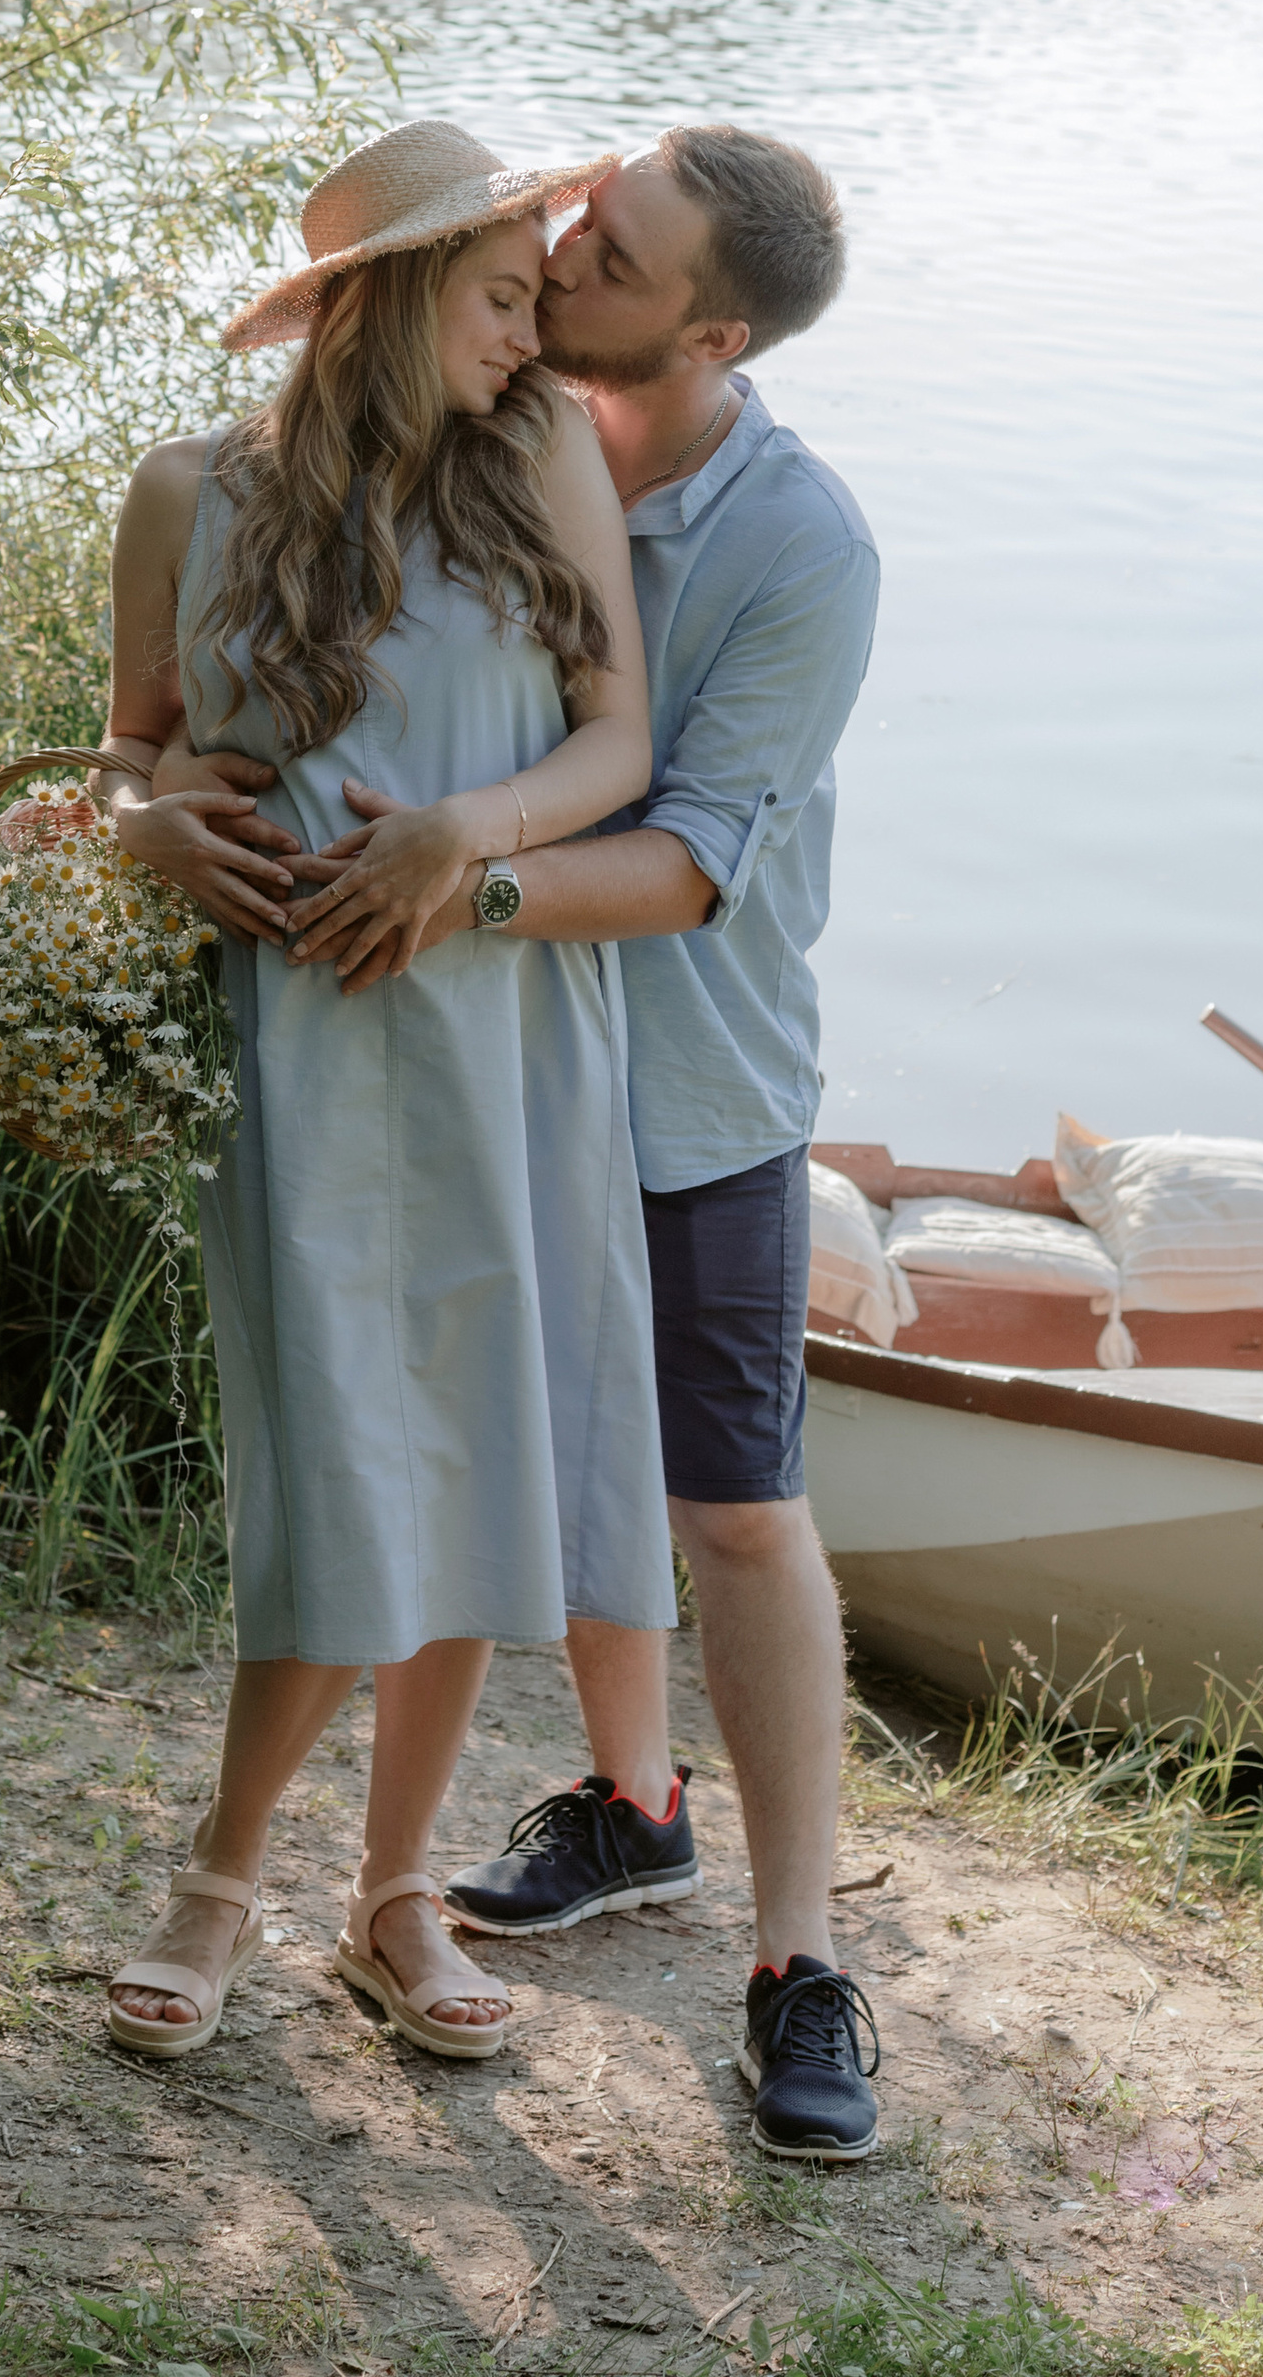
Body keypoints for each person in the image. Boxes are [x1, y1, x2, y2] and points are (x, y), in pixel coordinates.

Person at [280, 126, 881, 2161]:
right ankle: (631, 1809)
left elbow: (699, 861)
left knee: (726, 1502)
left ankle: (799, 1963)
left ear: (711, 329)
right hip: (458, 1059)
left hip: (683, 1075)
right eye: (567, 222)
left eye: (606, 257)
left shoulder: (801, 546)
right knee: (529, 1461)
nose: (555, 256)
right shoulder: (478, 401)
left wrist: (472, 882)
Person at [91, 120, 677, 2067]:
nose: (534, 341)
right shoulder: (184, 495)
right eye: (504, 300)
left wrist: (460, 838)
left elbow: (615, 744)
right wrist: (145, 836)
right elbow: (126, 770)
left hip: (506, 1024)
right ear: (390, 297)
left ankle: (390, 1898)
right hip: (300, 1049)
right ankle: (220, 1875)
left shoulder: (535, 466)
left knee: (482, 1469)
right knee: (340, 1472)